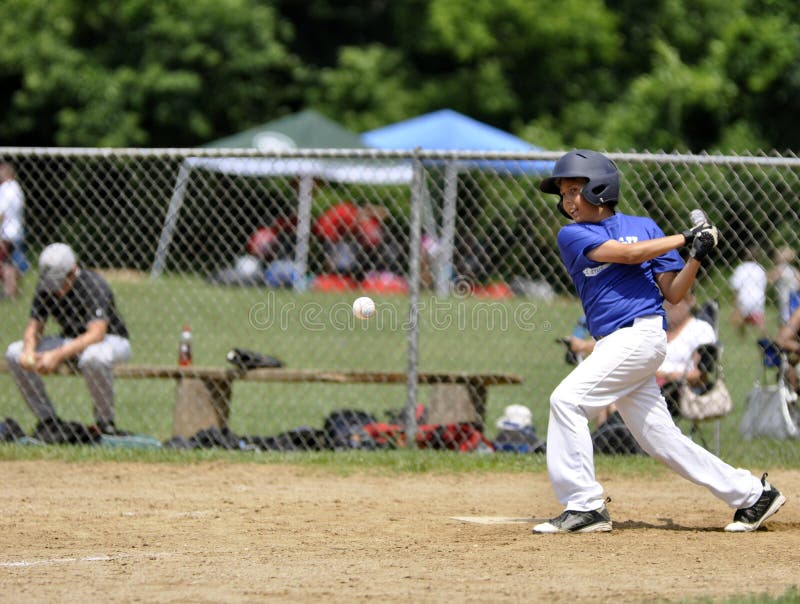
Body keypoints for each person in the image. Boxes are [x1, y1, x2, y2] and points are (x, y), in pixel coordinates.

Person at [533, 149, 785, 534]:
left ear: (600, 187)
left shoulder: (646, 226)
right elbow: (630, 254)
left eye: (573, 190)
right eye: (563, 195)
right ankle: (753, 495)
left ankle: (584, 505)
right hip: (615, 344)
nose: (567, 202)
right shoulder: (573, 234)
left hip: (640, 336)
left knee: (566, 401)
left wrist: (695, 256)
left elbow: (675, 293)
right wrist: (685, 237)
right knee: (662, 442)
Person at [5, 243, 132, 435]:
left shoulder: (93, 285)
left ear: (73, 270)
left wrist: (57, 355)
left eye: (60, 281)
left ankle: (105, 424)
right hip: (70, 342)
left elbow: (97, 333)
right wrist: (29, 350)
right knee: (14, 352)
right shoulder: (45, 286)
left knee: (94, 357)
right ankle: (48, 420)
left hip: (110, 341)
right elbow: (34, 328)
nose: (55, 289)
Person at [729, 247, 767, 336]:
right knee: (759, 320)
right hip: (758, 297)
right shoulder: (760, 269)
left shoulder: (741, 268)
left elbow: (736, 286)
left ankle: (742, 336)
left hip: (744, 297)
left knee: (740, 317)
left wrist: (735, 301)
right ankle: (764, 337)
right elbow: (763, 285)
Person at [0, 161, 25, 299]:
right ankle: (13, 292)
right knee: (11, 262)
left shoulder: (6, 188)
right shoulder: (16, 188)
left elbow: (1, 212)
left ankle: (9, 292)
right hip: (16, 230)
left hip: (7, 232)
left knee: (6, 263)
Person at [768, 246, 800, 326]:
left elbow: (769, 279)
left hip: (785, 298)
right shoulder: (793, 269)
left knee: (785, 321)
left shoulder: (780, 268)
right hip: (793, 298)